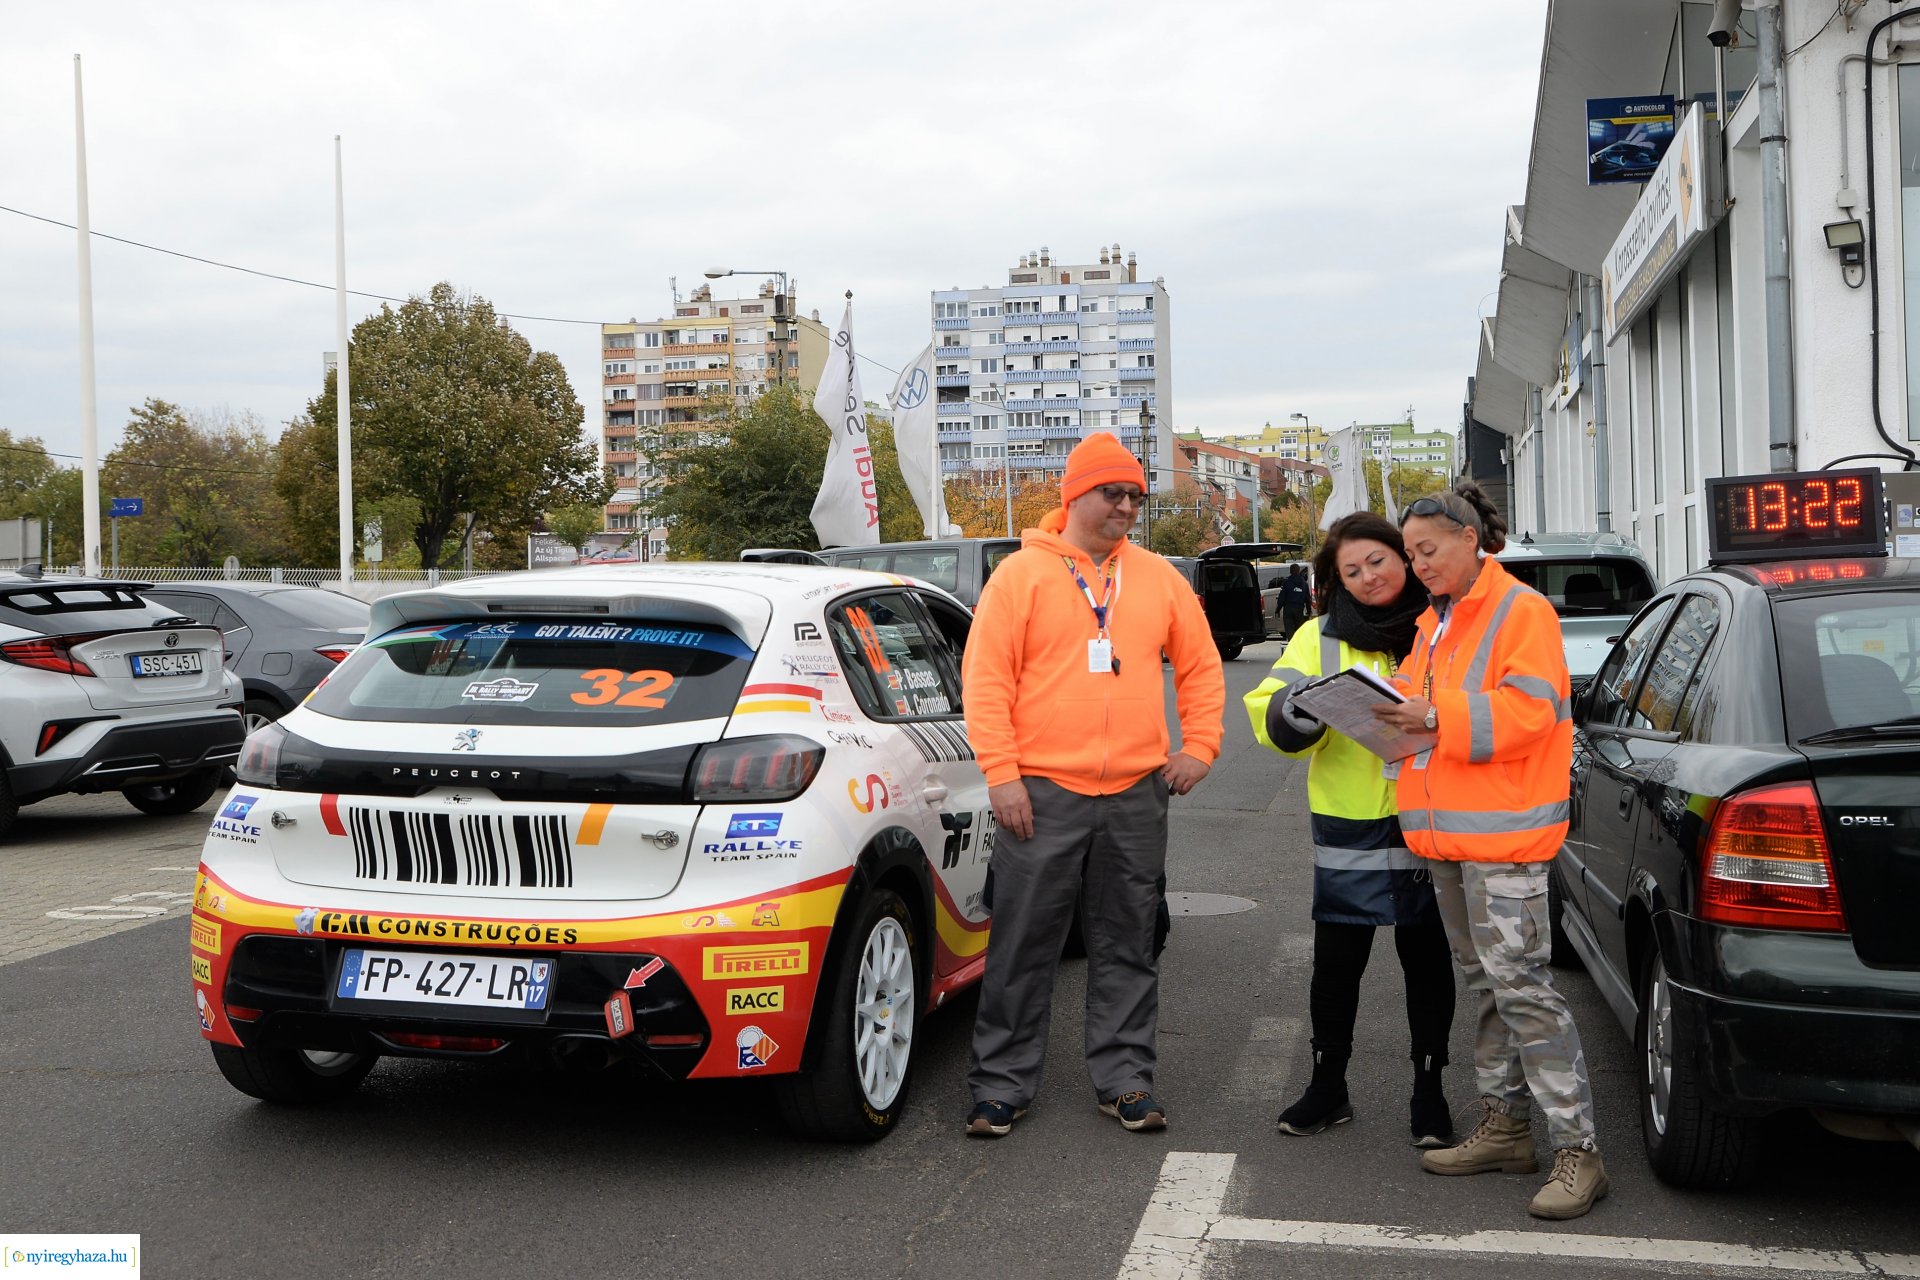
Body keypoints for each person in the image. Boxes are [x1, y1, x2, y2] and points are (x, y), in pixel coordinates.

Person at [961, 431, 1226, 1139]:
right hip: (1042, 791)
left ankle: (1125, 1080)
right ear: (1073, 494)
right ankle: (1001, 1086)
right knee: (1022, 943)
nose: (1128, 507)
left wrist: (1199, 745)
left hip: (1137, 790)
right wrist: (1002, 774)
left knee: (1129, 939)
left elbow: (1200, 666)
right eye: (1115, 493)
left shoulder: (1160, 578)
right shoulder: (1020, 577)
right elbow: (985, 683)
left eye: (1136, 495)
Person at [1370, 482, 1607, 1220]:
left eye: (1427, 549)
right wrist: (1374, 708)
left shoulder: (1520, 610)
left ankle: (1580, 1152)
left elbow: (1531, 712)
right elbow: (1413, 700)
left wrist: (1432, 714)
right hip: (1448, 837)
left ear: (1471, 537)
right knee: (1491, 988)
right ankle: (1506, 1129)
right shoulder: (1435, 622)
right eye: (1411, 555)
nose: (1417, 565)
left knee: (1523, 990)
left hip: (1502, 841)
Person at [1245, 512, 1456, 1147]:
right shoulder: (1317, 636)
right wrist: (1302, 708)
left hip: (1431, 815)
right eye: (1351, 571)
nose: (1368, 577)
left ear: (1405, 556)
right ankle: (1327, 1086)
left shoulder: (1446, 623)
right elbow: (1268, 711)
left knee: (1426, 960)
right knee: (1337, 962)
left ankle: (1429, 1092)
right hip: (1350, 820)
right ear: (1336, 583)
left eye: (1378, 561)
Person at [1277, 563, 1312, 639]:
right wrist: (1309, 611)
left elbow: (1281, 597)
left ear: (1290, 571)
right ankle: (1298, 646)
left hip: (1288, 609)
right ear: (1299, 571)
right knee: (1299, 630)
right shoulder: (1304, 584)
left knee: (1289, 629)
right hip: (1299, 609)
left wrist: (1278, 609)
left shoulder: (1286, 583)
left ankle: (1291, 643)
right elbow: (1307, 599)